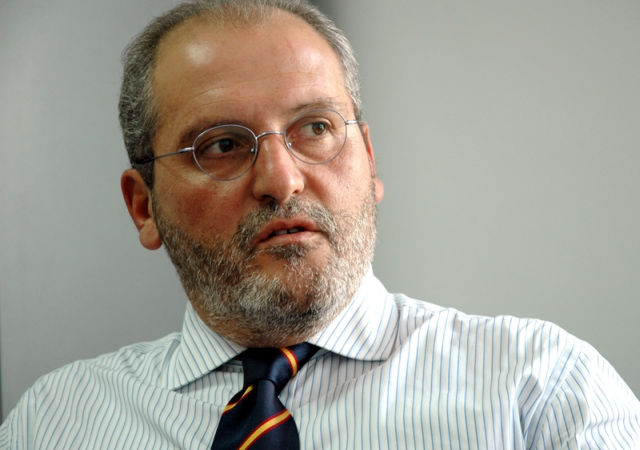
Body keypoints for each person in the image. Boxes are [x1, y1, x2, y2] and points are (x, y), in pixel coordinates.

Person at [1, 0, 639, 448]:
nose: (282, 180)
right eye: (222, 145)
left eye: (315, 128)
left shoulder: (542, 393)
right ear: (144, 206)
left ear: (370, 160)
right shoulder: (54, 424)